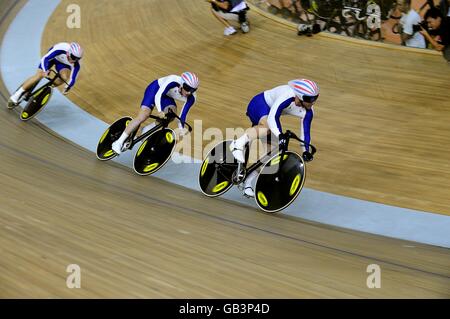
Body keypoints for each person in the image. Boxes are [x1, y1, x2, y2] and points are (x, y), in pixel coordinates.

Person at [229, 78, 319, 197]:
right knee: (266, 127)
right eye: (309, 99)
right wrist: (280, 135)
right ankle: (238, 144)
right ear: (299, 96)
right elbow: (273, 117)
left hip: (269, 114)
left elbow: (306, 132)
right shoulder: (287, 96)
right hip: (259, 104)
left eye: (315, 99)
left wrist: (306, 151)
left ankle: (248, 182)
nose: (312, 103)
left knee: (271, 155)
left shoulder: (308, 112)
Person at [111, 72, 200, 155]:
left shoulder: (192, 98)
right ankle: (118, 142)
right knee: (143, 115)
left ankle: (146, 130)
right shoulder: (173, 80)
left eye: (193, 90)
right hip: (155, 90)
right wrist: (160, 111)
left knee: (170, 115)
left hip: (166, 97)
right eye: (187, 89)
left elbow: (183, 115)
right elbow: (158, 95)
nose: (189, 92)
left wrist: (181, 130)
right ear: (182, 83)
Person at [8, 42, 83, 107]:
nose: (74, 60)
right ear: (68, 52)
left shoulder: (76, 63)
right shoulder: (61, 48)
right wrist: (45, 70)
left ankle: (43, 91)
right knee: (39, 75)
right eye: (73, 57)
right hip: (51, 58)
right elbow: (45, 58)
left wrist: (68, 87)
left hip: (62, 64)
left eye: (78, 58)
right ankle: (16, 95)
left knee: (64, 78)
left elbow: (73, 78)